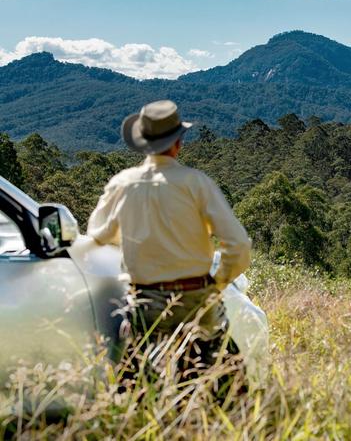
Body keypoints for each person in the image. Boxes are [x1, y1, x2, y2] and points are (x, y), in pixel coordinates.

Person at [87, 100, 251, 386]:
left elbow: (97, 233)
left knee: (138, 385)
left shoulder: (123, 184)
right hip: (195, 298)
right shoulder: (196, 183)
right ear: (178, 143)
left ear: (143, 144)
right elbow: (238, 245)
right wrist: (218, 282)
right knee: (223, 383)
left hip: (144, 300)